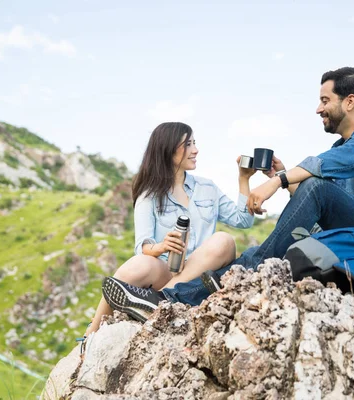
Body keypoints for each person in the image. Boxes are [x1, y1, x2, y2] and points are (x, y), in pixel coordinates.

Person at [102, 67, 354, 316]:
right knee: (258, 253)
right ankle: (179, 296)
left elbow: (320, 176)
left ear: (349, 101)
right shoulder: (342, 146)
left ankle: (170, 299)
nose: (318, 108)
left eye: (325, 100)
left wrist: (274, 183)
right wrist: (281, 175)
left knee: (303, 202)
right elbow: (319, 202)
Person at [83, 121, 256, 340]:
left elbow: (243, 220)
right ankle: (92, 331)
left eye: (194, 143)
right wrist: (162, 246)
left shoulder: (207, 188)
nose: (195, 150)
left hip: (200, 274)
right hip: (167, 272)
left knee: (223, 240)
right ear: (168, 149)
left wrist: (244, 179)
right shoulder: (149, 195)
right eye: (188, 144)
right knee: (136, 264)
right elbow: (142, 246)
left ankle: (159, 299)